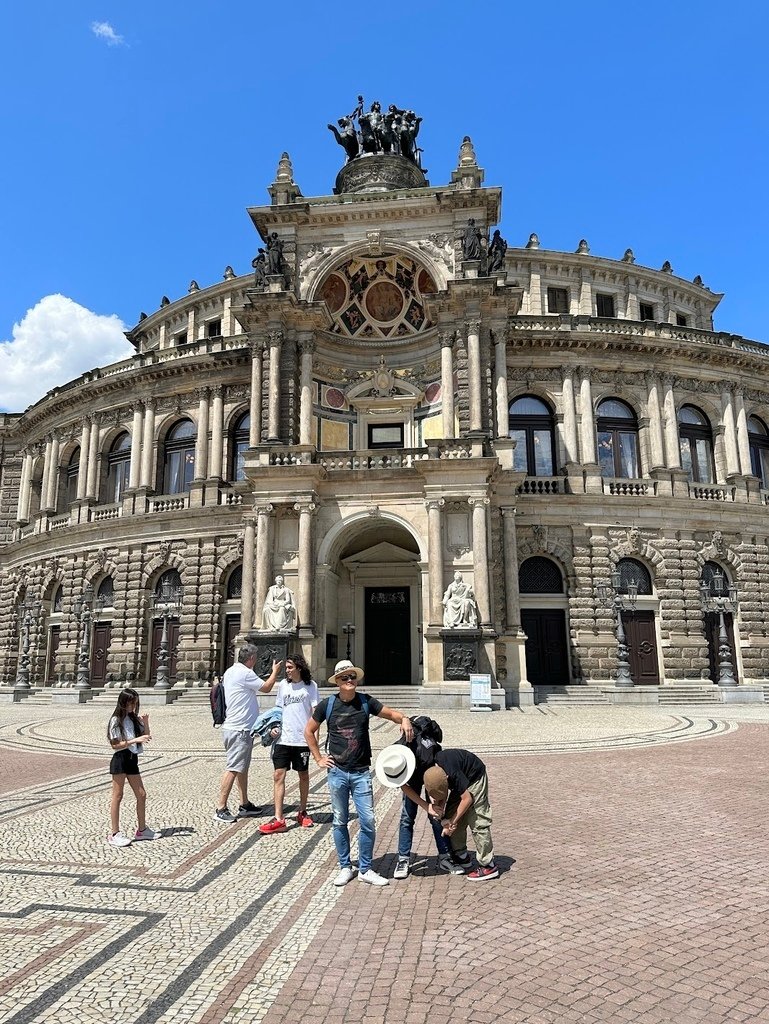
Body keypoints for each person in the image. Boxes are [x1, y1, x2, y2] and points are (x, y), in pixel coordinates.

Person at [305, 659, 414, 887]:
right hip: (337, 772)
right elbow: (309, 731)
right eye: (345, 678)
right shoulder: (328, 705)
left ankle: (365, 868)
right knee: (339, 820)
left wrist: (404, 720)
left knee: (368, 821)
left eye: (352, 677)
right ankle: (345, 867)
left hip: (361, 772)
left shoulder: (366, 702)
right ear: (337, 682)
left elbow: (390, 714)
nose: (350, 681)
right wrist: (318, 758)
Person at [374, 743, 464, 879]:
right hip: (412, 775)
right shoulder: (394, 761)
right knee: (407, 818)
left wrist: (437, 805)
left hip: (430, 773)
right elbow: (403, 786)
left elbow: (441, 784)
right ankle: (403, 859)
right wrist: (426, 806)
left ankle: (445, 857)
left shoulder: (428, 759)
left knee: (436, 817)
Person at [215, 645, 282, 823]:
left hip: (237, 727)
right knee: (234, 767)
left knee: (241, 767)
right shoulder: (245, 673)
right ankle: (220, 807)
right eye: (256, 657)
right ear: (251, 658)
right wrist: (275, 671)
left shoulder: (231, 671)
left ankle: (244, 804)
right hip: (240, 728)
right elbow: (267, 688)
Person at [415, 748, 498, 881]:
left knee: (477, 820)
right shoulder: (434, 773)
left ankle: (488, 865)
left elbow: (467, 799)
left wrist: (452, 822)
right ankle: (461, 855)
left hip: (475, 777)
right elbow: (441, 791)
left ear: (447, 779)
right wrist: (442, 813)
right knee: (451, 814)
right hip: (460, 780)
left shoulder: (452, 773)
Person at [259, 653, 319, 834]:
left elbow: (316, 713)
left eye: (290, 667)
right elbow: (278, 710)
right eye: (286, 668)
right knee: (278, 775)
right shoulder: (283, 686)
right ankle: (279, 818)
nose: (287, 670)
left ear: (299, 668)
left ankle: (302, 811)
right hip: (283, 738)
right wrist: (273, 728)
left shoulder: (311, 686)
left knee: (303, 776)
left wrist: (315, 739)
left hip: (302, 739)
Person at [107, 688, 158, 847]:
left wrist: (146, 723)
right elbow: (115, 745)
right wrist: (134, 740)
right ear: (123, 702)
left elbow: (146, 736)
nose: (132, 706)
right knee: (118, 795)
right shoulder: (116, 720)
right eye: (130, 703)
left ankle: (142, 830)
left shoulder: (133, 719)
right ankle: (114, 833)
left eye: (135, 703)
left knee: (141, 794)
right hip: (120, 759)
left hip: (132, 759)